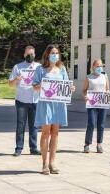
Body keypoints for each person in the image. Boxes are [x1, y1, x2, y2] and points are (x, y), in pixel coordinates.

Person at [32, 45, 75, 175]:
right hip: (45, 104)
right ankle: (44, 163)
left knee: (55, 132)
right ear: (47, 54)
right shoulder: (40, 69)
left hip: (58, 105)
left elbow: (67, 85)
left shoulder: (61, 69)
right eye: (52, 53)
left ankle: (52, 162)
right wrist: (42, 86)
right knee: (45, 132)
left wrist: (71, 89)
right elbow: (34, 86)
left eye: (57, 53)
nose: (55, 55)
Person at [8, 45, 41, 156]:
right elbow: (10, 84)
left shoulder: (39, 67)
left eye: (31, 54)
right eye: (28, 54)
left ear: (35, 55)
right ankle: (18, 148)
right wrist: (16, 80)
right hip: (21, 101)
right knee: (20, 125)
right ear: (24, 55)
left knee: (34, 126)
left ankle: (33, 148)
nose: (30, 56)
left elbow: (45, 82)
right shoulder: (18, 67)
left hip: (35, 100)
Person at [82, 59, 110, 153]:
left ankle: (99, 144)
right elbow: (84, 90)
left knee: (101, 124)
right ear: (93, 67)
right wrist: (85, 96)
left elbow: (107, 89)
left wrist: (109, 95)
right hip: (92, 103)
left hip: (102, 103)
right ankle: (87, 144)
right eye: (97, 66)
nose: (99, 68)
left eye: (101, 66)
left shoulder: (105, 77)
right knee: (91, 123)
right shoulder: (88, 77)